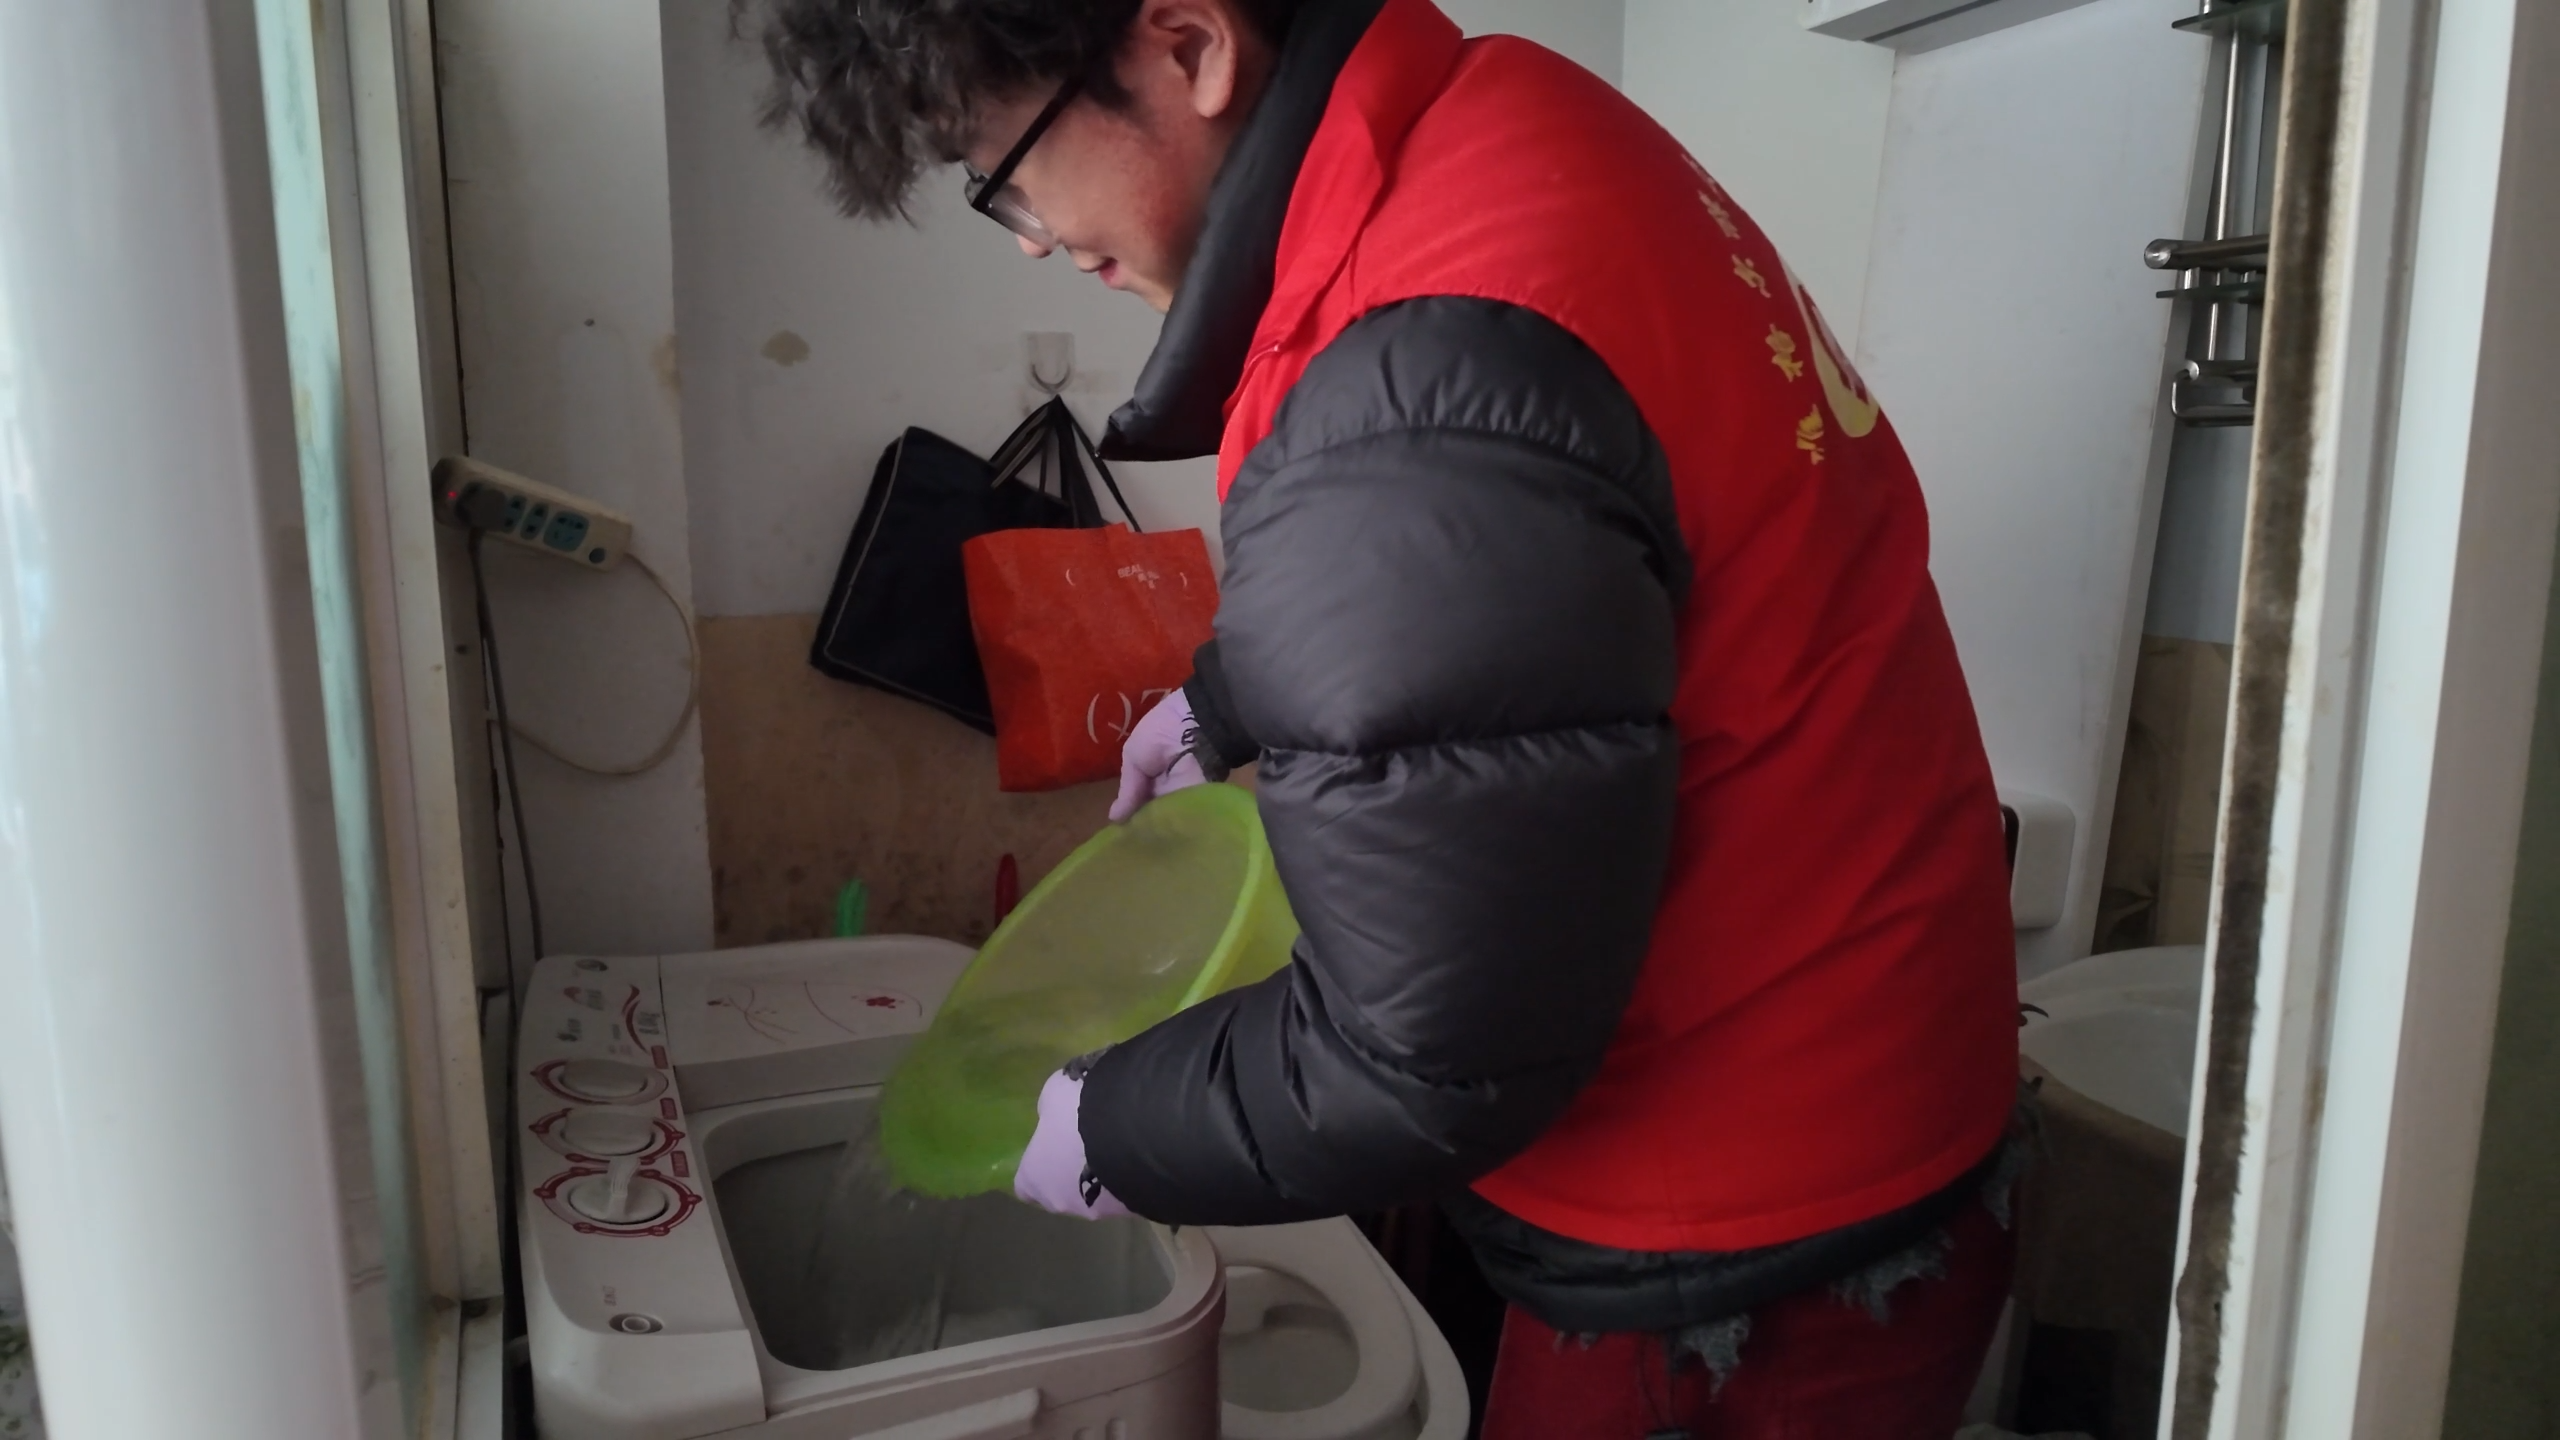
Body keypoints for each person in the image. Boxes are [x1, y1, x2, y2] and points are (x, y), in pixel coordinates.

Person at [753, 1, 2025, 1433]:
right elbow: (1538, 577)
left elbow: (1428, 1053)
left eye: (1008, 174)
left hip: (1746, 1227)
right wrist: (1225, 697)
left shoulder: (1407, 361)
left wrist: (1114, 1122)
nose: (1033, 239)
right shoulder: (1505, 125)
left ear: (1188, 45)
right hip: (1884, 1053)